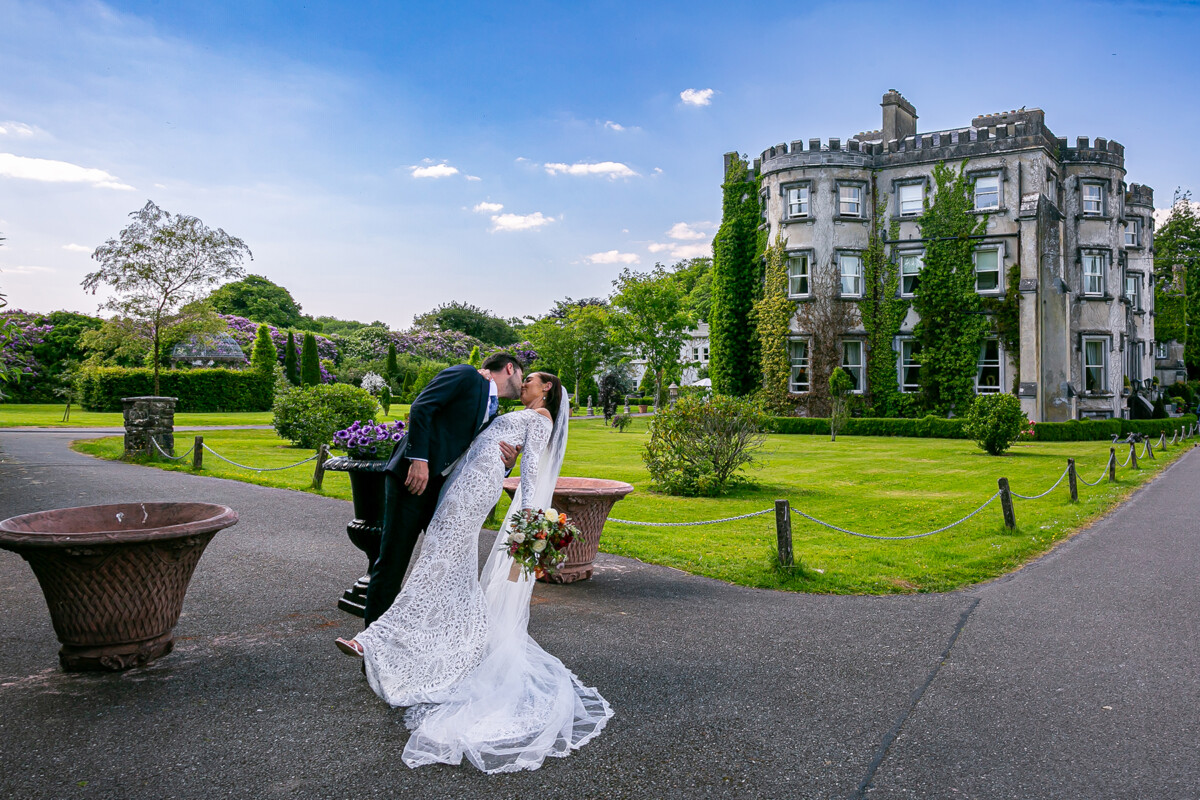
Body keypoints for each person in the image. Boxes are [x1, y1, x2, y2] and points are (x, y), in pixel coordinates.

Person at [336, 372, 613, 773]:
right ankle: (461, 640)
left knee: (434, 565)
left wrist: (532, 524)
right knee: (447, 569)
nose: (525, 383)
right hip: (460, 485)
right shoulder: (518, 413)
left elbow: (536, 473)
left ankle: (372, 639)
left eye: (531, 380)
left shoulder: (539, 420)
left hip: (475, 491)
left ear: (547, 389)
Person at [362, 353, 524, 626]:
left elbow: (477, 451)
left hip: (442, 489)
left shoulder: (493, 407)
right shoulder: (465, 375)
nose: (523, 383)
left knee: (448, 563)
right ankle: (371, 646)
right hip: (411, 479)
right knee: (393, 561)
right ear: (510, 368)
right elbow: (422, 406)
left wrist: (508, 464)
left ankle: (432, 635)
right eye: (522, 375)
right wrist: (419, 460)